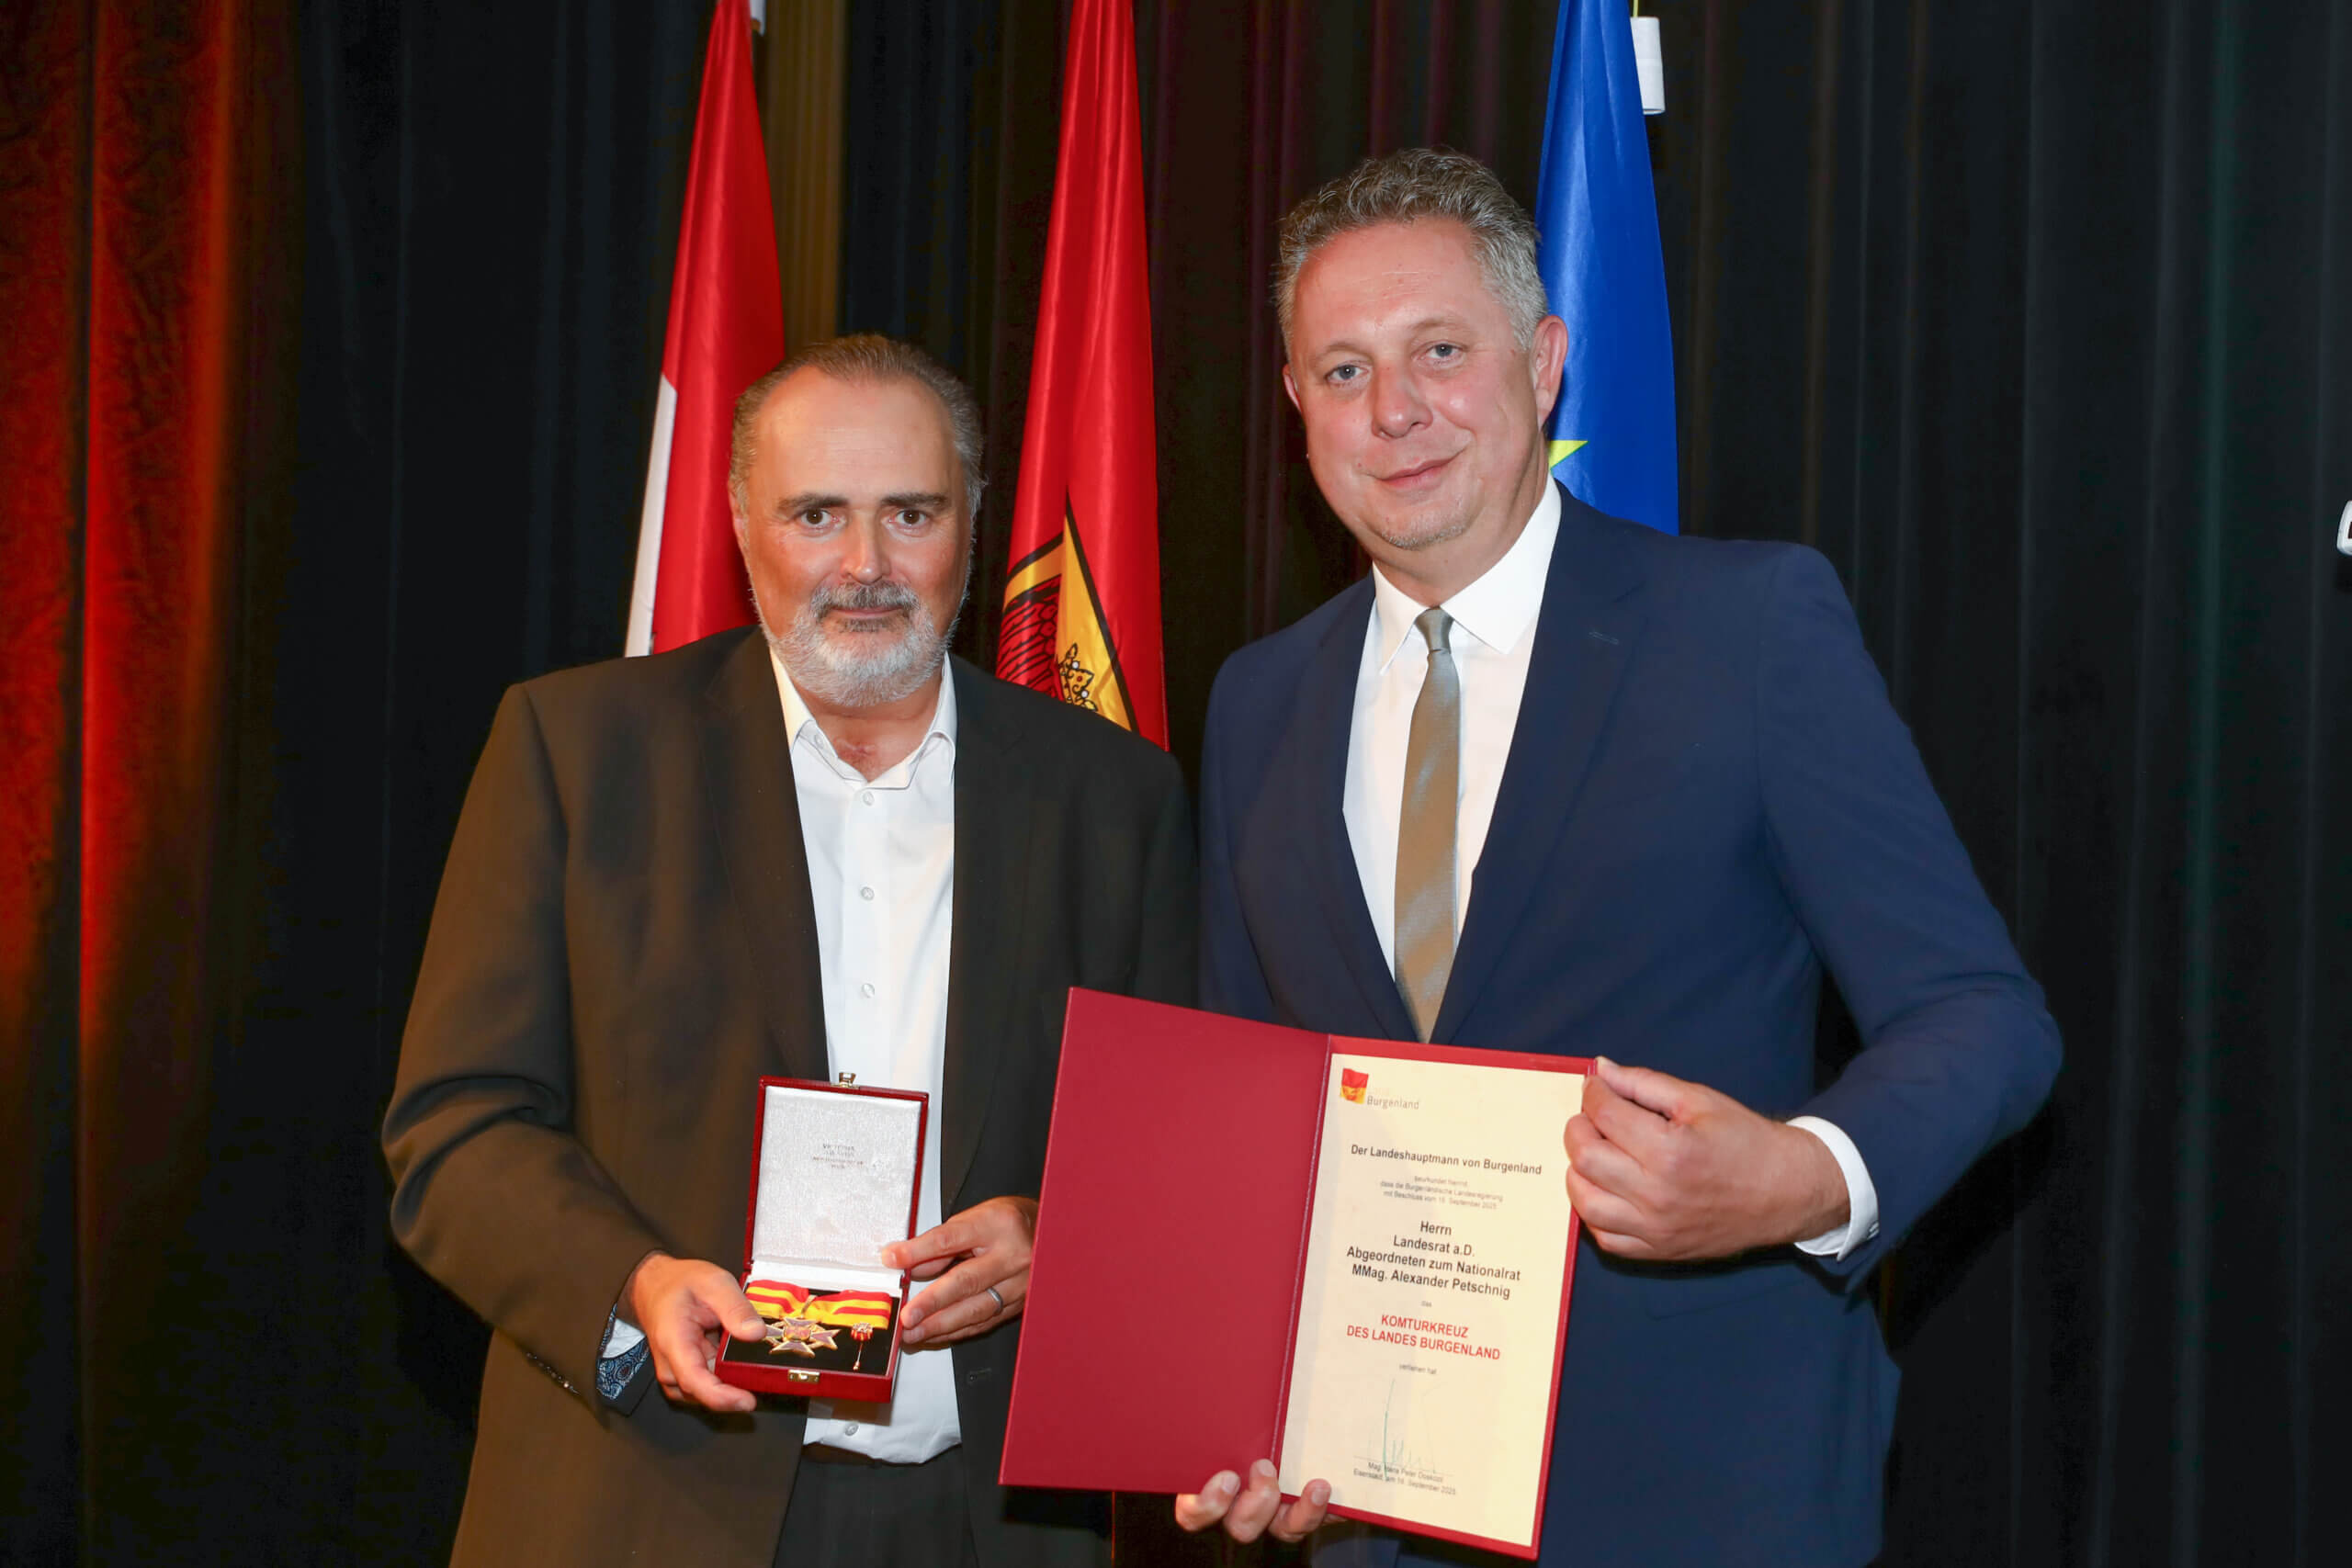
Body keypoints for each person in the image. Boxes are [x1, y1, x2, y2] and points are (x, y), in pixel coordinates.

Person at [1176, 149, 2059, 1566]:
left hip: (1694, 1491)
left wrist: (1801, 1174)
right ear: (1294, 404)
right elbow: (1248, 1107)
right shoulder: (1256, 700)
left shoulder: (1747, 631)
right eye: (1341, 371)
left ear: (1544, 362)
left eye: (1440, 352)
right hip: (1361, 1507)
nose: (1392, 409)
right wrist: (1228, 1410)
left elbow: (1986, 1017)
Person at [383, 334, 1193, 1568]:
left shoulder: (1113, 801)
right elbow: (453, 1130)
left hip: (991, 1525)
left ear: (971, 526)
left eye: (909, 513)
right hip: (643, 1510)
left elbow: (1180, 1157)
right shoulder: (578, 752)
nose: (864, 565)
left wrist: (1062, 1232)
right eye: (817, 514)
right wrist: (634, 1283)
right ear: (740, 527)